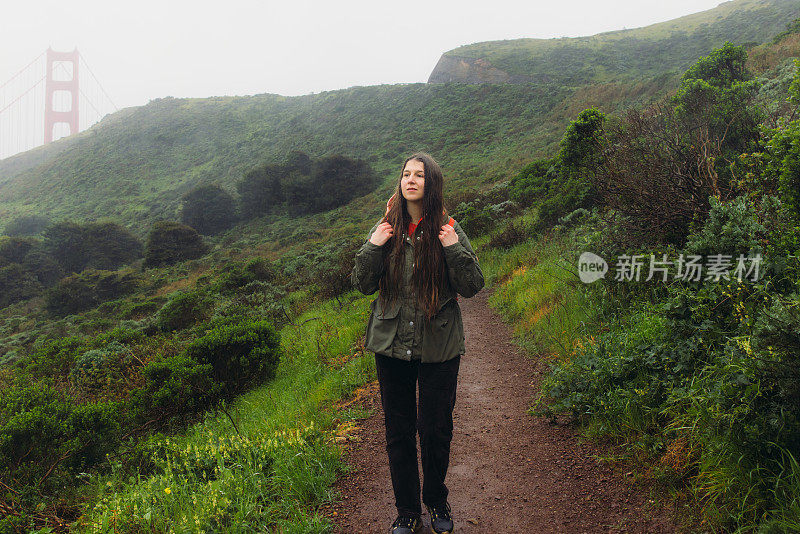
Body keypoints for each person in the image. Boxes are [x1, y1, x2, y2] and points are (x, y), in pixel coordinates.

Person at [351, 152, 485, 534]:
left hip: (438, 345)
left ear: (433, 183)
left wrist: (453, 247)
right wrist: (374, 245)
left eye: (420, 175)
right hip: (391, 345)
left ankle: (437, 500)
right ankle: (407, 511)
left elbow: (473, 286)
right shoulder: (385, 228)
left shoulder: (449, 227)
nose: (411, 179)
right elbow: (361, 284)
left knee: (435, 427)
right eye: (406, 174)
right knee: (398, 430)